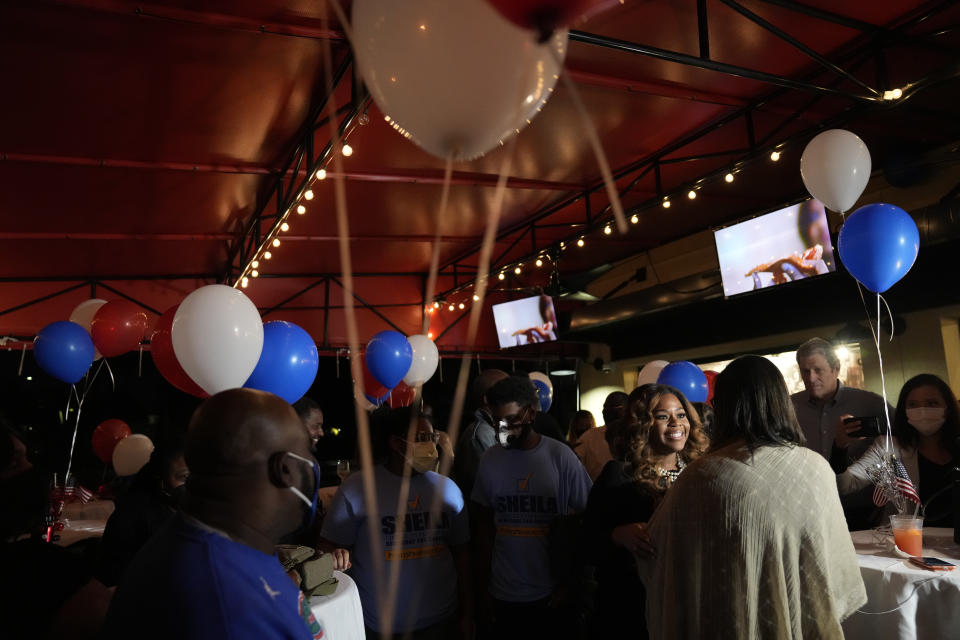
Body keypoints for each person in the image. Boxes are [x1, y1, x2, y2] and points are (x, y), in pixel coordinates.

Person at [640, 356, 866, 639]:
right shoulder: (816, 467)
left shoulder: (702, 476)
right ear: (783, 403)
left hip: (726, 621)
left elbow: (661, 555)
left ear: (721, 407)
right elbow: (834, 571)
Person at [102, 388, 330, 640]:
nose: (312, 465)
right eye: (307, 451)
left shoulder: (211, 542)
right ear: (285, 469)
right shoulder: (230, 605)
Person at [320, 406, 472, 639]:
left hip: (442, 620)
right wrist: (335, 554)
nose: (430, 446)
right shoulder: (358, 489)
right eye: (421, 439)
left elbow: (462, 554)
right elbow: (327, 545)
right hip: (382, 625)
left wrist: (468, 613)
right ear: (396, 443)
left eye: (432, 438)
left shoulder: (447, 489)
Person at [471, 376, 593, 640]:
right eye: (496, 422)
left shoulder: (561, 457)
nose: (503, 429)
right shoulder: (490, 459)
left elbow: (589, 520)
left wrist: (569, 582)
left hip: (551, 596)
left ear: (531, 413)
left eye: (511, 421)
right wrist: (482, 592)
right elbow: (483, 527)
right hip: (503, 594)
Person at [584, 384, 708, 639]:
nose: (676, 423)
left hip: (690, 602)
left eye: (681, 414)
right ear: (643, 424)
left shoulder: (701, 471)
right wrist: (616, 534)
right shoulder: (619, 475)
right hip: (632, 610)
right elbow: (585, 543)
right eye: (663, 416)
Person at [838, 374, 960, 526]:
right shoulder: (888, 447)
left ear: (947, 408)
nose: (922, 411)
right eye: (913, 405)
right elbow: (846, 484)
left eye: (932, 403)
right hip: (909, 542)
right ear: (904, 410)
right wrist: (839, 447)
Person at [96, 439, 189, 586]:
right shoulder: (132, 517)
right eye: (183, 477)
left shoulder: (184, 512)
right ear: (161, 480)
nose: (191, 485)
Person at [791, 337, 892, 469]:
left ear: (836, 368)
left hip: (861, 487)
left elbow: (904, 441)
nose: (811, 378)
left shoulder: (871, 403)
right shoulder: (788, 406)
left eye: (818, 370)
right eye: (805, 371)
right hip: (810, 487)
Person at [453, 369, 508, 501]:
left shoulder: (499, 430)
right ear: (487, 399)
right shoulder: (479, 436)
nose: (513, 399)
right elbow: (490, 490)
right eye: (507, 392)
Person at [575, 391, 628, 481]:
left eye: (616, 407)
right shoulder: (588, 437)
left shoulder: (639, 435)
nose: (606, 411)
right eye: (605, 407)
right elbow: (575, 468)